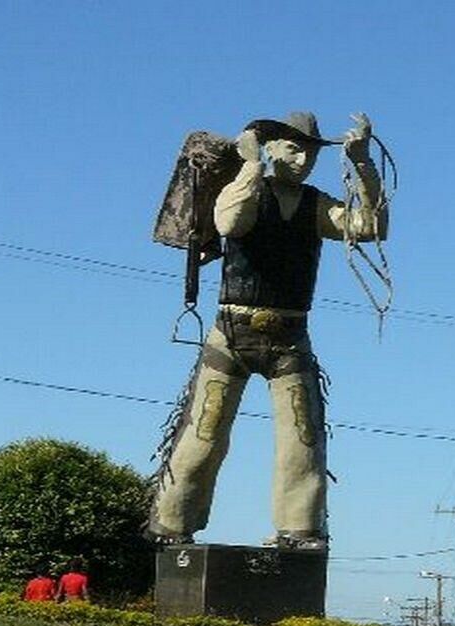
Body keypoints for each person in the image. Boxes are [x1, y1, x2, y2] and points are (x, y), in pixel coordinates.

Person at [148, 111, 387, 551]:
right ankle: (171, 523)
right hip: (232, 334)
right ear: (271, 147)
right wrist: (250, 166)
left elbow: (368, 227)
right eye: (293, 149)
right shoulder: (243, 190)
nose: (302, 160)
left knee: (302, 437)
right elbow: (230, 224)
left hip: (290, 337)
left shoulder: (316, 205)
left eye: (310, 153)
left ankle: (299, 528)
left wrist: (363, 166)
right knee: (204, 434)